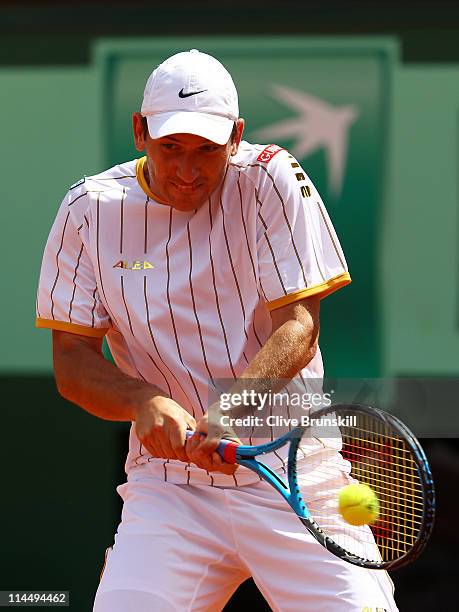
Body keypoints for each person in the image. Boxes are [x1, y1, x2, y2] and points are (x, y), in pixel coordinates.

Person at [36, 49, 397, 611]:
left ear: (236, 136)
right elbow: (72, 361)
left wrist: (228, 412)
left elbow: (299, 327)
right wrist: (142, 401)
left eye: (207, 149)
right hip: (170, 491)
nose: (187, 169)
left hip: (294, 477)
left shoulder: (272, 177)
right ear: (140, 132)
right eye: (170, 147)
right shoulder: (88, 208)